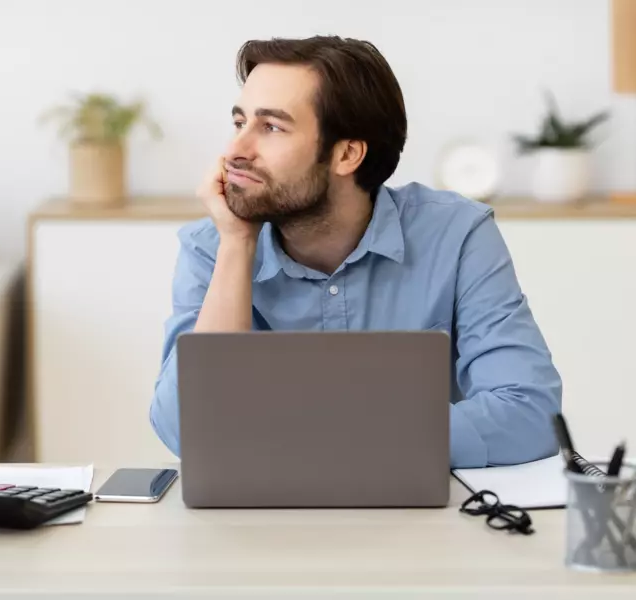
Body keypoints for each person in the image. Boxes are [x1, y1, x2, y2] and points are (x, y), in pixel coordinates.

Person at [149, 35, 562, 468]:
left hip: (422, 524)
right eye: (239, 123)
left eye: (270, 127)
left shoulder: (457, 235)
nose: (235, 151)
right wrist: (237, 244)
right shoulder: (212, 245)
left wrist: (310, 437)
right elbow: (185, 429)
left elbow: (530, 414)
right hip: (257, 526)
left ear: (347, 154)